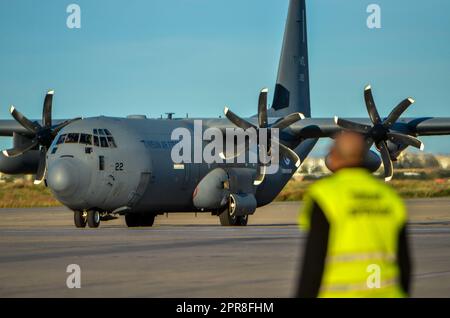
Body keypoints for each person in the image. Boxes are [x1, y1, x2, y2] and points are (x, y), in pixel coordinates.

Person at [296, 131, 412, 298]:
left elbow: (313, 262)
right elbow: (405, 265)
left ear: (334, 157)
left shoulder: (324, 196)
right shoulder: (389, 197)